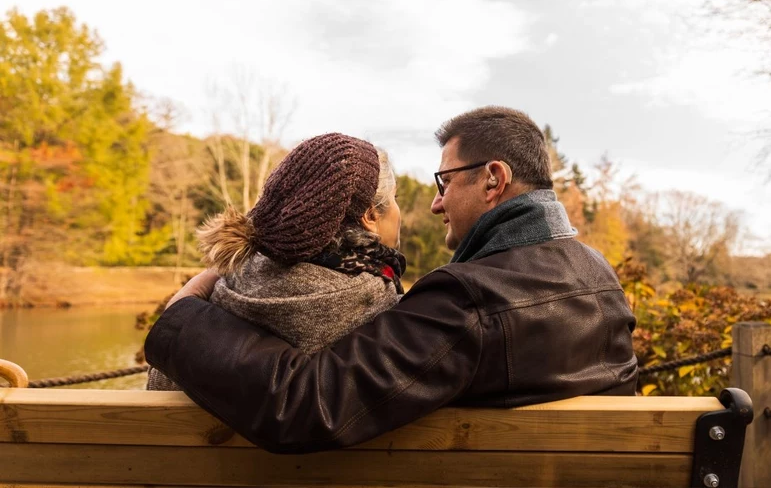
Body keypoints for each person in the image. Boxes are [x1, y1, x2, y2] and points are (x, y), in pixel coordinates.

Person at [145, 106, 638, 454]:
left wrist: (182, 315)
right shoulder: (599, 274)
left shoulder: (470, 299)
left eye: (445, 182)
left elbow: (309, 404)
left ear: (493, 179)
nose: (435, 203)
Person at [147, 133, 404, 390]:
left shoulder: (234, 276)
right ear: (370, 215)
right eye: (395, 198)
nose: (397, 210)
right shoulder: (374, 298)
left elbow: (159, 382)